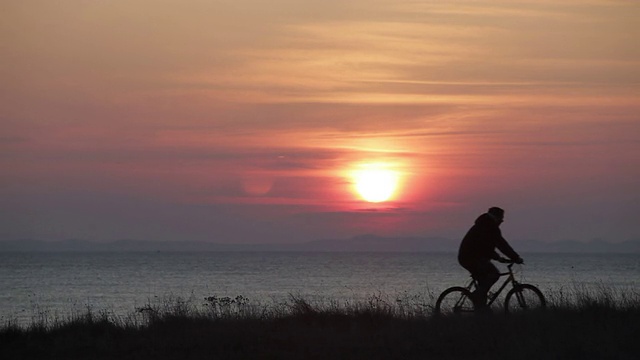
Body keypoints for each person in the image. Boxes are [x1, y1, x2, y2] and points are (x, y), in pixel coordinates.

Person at [458, 207, 523, 309]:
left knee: (484, 281)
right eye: (501, 218)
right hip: (471, 258)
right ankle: (476, 296)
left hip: (470, 257)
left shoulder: (485, 225)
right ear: (496, 217)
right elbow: (501, 245)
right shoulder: (489, 227)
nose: (502, 221)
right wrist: (515, 257)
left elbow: (489, 247)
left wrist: (499, 258)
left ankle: (481, 310)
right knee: (494, 274)